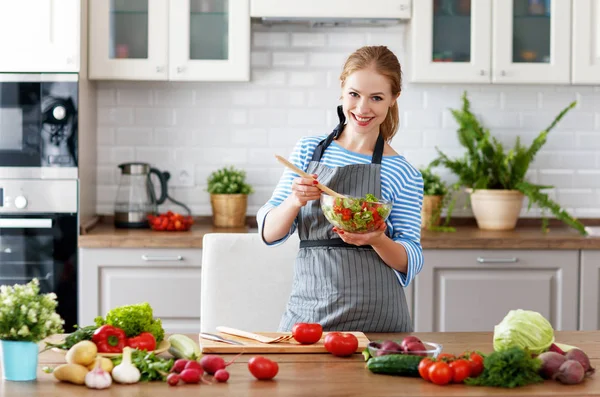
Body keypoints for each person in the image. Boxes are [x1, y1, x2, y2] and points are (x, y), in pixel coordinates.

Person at [257, 45, 424, 333]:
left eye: (376, 98)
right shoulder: (310, 151)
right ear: (342, 90)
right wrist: (295, 200)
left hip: (379, 321)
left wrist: (377, 239)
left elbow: (413, 259)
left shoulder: (403, 172)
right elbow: (268, 233)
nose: (362, 108)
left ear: (393, 99)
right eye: (354, 94)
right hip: (310, 317)